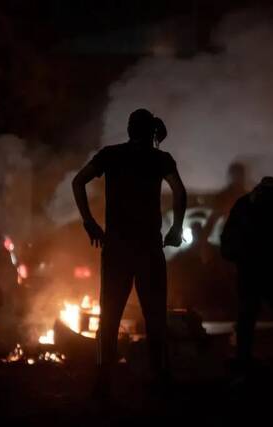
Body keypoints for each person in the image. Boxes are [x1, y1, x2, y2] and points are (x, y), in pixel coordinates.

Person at [72, 108, 187, 397]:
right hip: (148, 247)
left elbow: (78, 182)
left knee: (109, 318)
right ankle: (159, 378)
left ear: (128, 130)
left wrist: (89, 222)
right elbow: (179, 191)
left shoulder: (111, 155)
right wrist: (176, 227)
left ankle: (103, 381)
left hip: (116, 249)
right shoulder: (160, 159)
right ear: (152, 133)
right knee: (155, 317)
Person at [220, 176, 273, 373]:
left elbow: (229, 234)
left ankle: (243, 359)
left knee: (247, 314)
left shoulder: (243, 203)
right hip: (271, 264)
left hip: (246, 265)